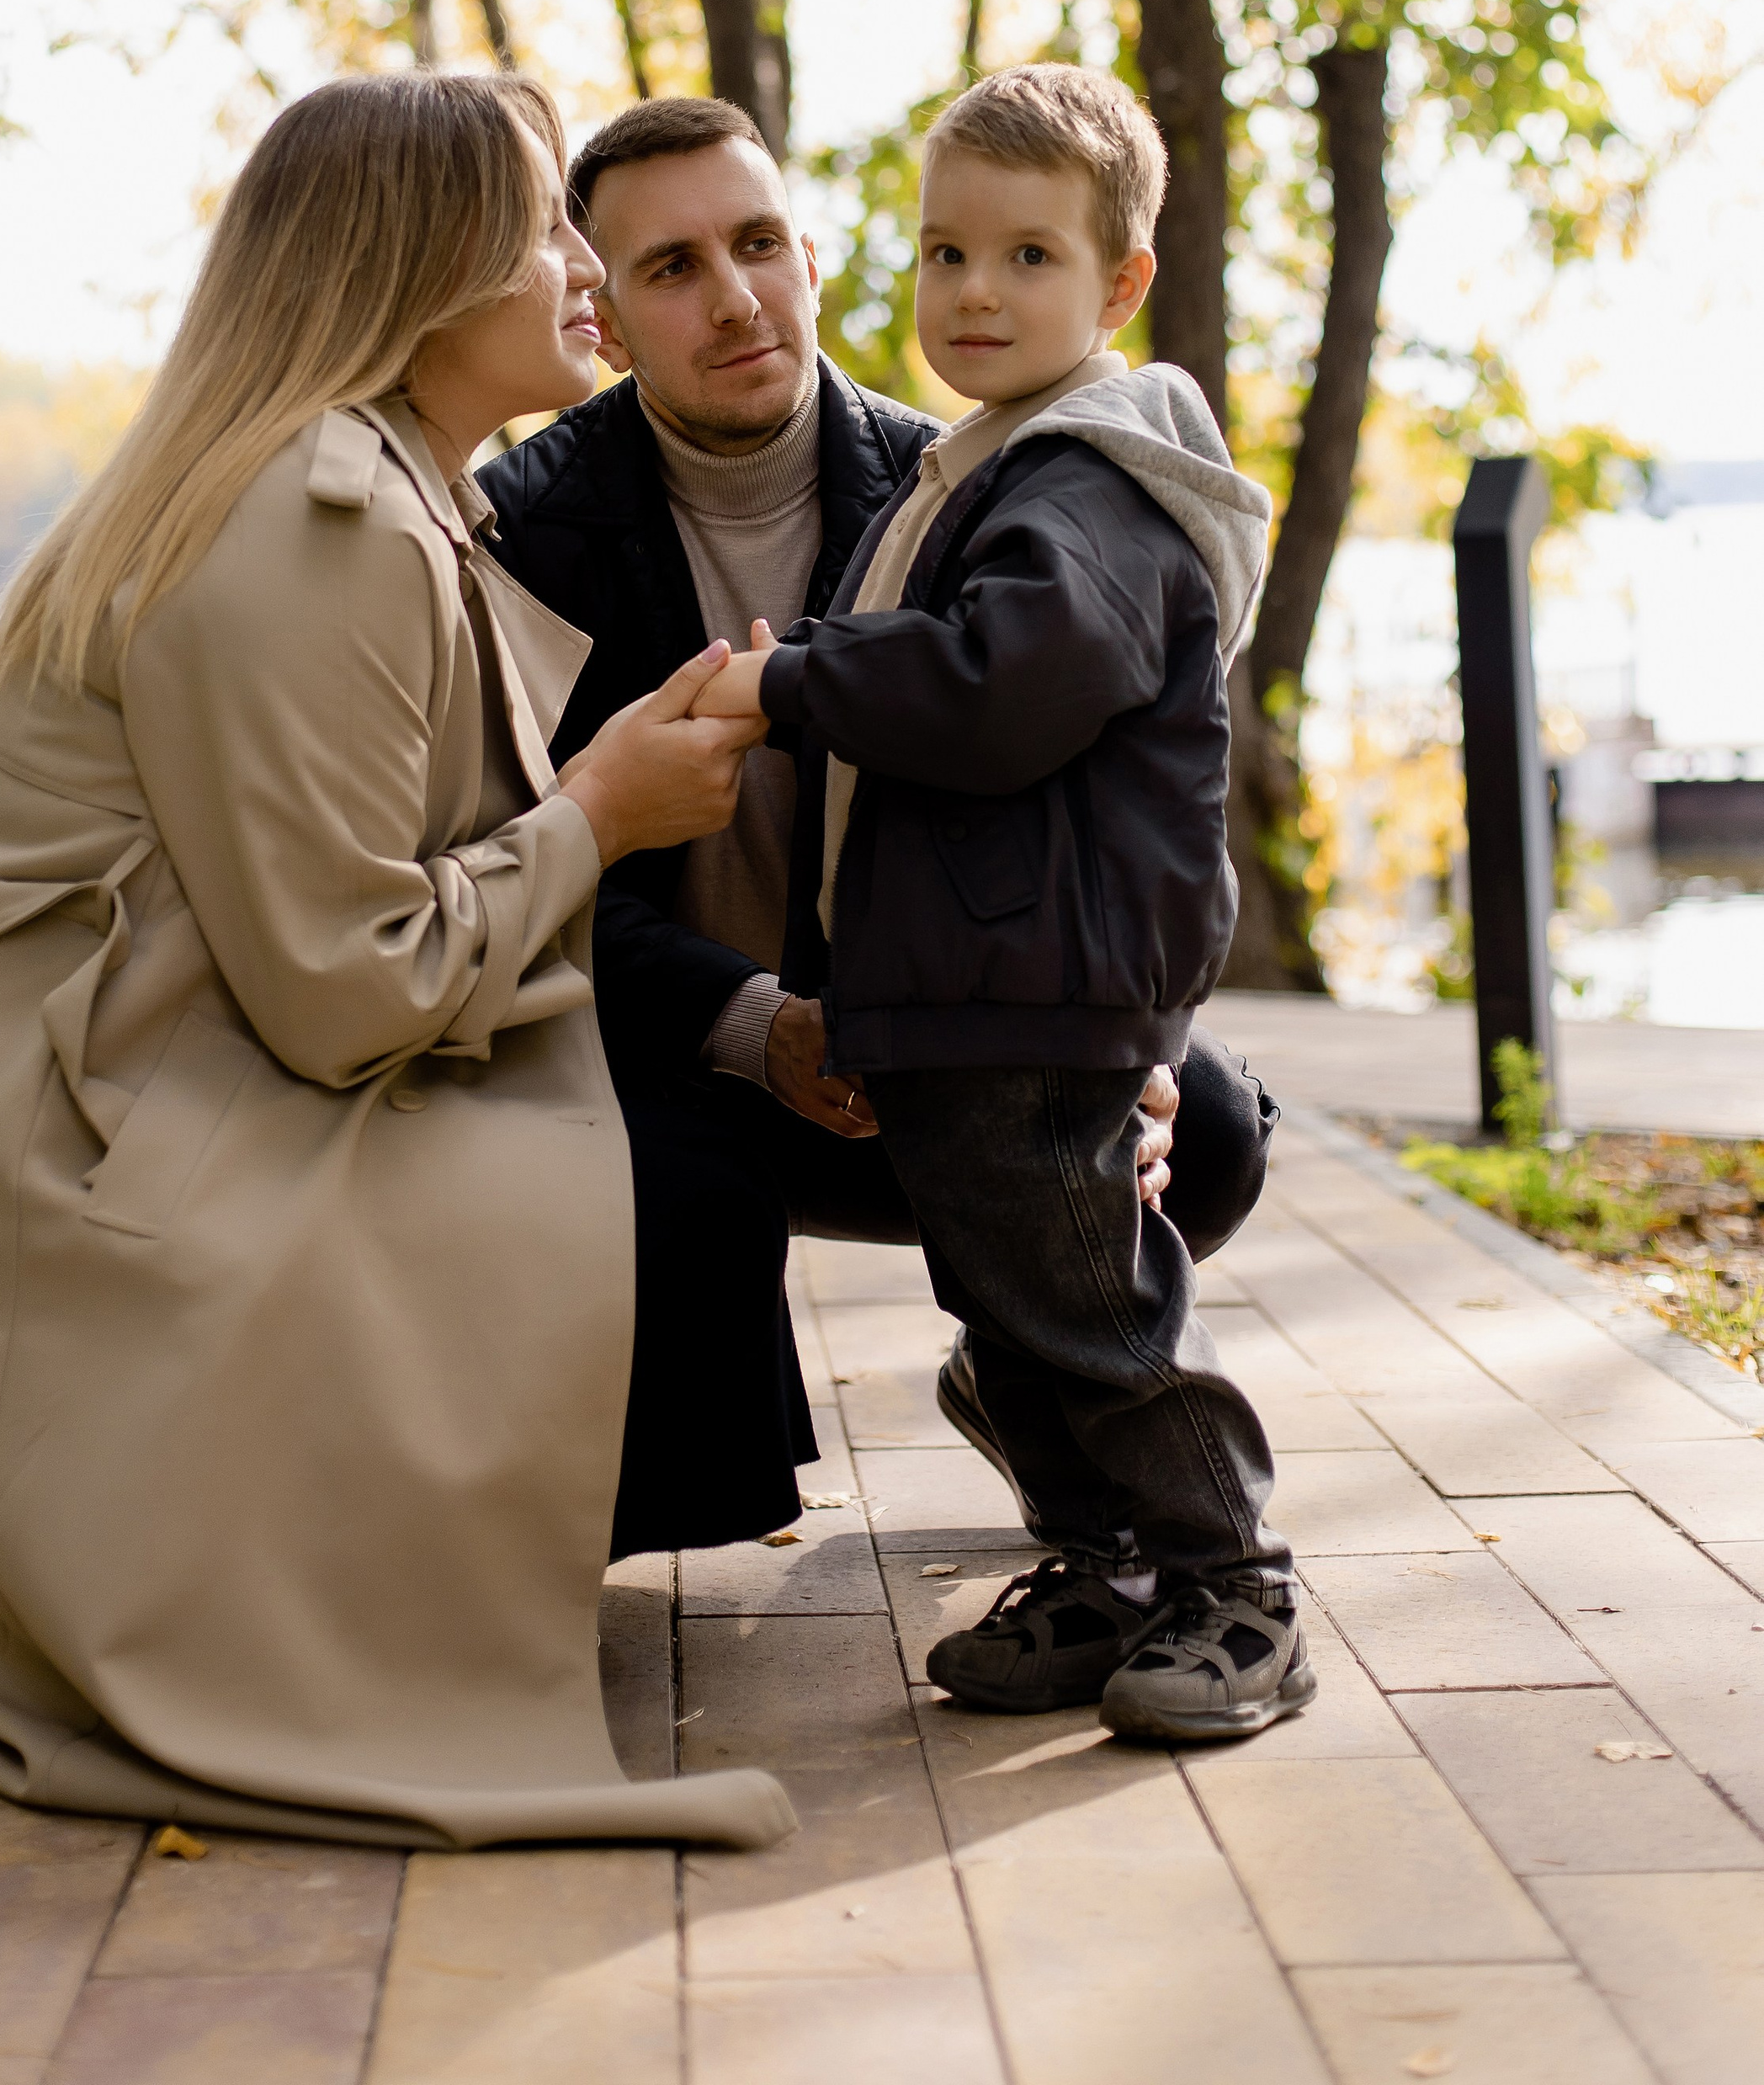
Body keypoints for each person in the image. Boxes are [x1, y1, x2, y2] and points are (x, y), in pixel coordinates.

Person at [0, 72, 793, 1854]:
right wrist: (602, 809)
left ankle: (483, 1552)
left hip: (117, 1118)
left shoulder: (352, 483)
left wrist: (594, 793)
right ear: (415, 268)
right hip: (110, 1187)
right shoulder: (305, 521)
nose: (581, 265)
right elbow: (345, 994)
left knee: (665, 1134)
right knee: (658, 1177)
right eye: (540, 227)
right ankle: (371, 1593)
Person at [480, 94, 1278, 1562]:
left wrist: (1138, 1039)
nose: (735, 300)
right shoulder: (517, 530)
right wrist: (748, 1022)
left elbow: (1117, 792)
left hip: (928, 1021)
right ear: (601, 308)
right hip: (661, 1049)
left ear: (810, 253)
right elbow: (509, 859)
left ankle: (1042, 1377)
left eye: (761, 243)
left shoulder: (976, 479)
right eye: (670, 270)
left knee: (1206, 1133)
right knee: (691, 1185)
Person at [692, 64, 1313, 1743]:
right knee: (1006, 1300)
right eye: (942, 253)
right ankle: (1105, 1567)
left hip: (1040, 986)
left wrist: (791, 678)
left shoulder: (1091, 489)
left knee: (1089, 1307)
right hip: (971, 991)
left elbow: (998, 687)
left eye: (1026, 257)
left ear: (1117, 286)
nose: (973, 292)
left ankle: (1230, 1580)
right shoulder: (991, 467)